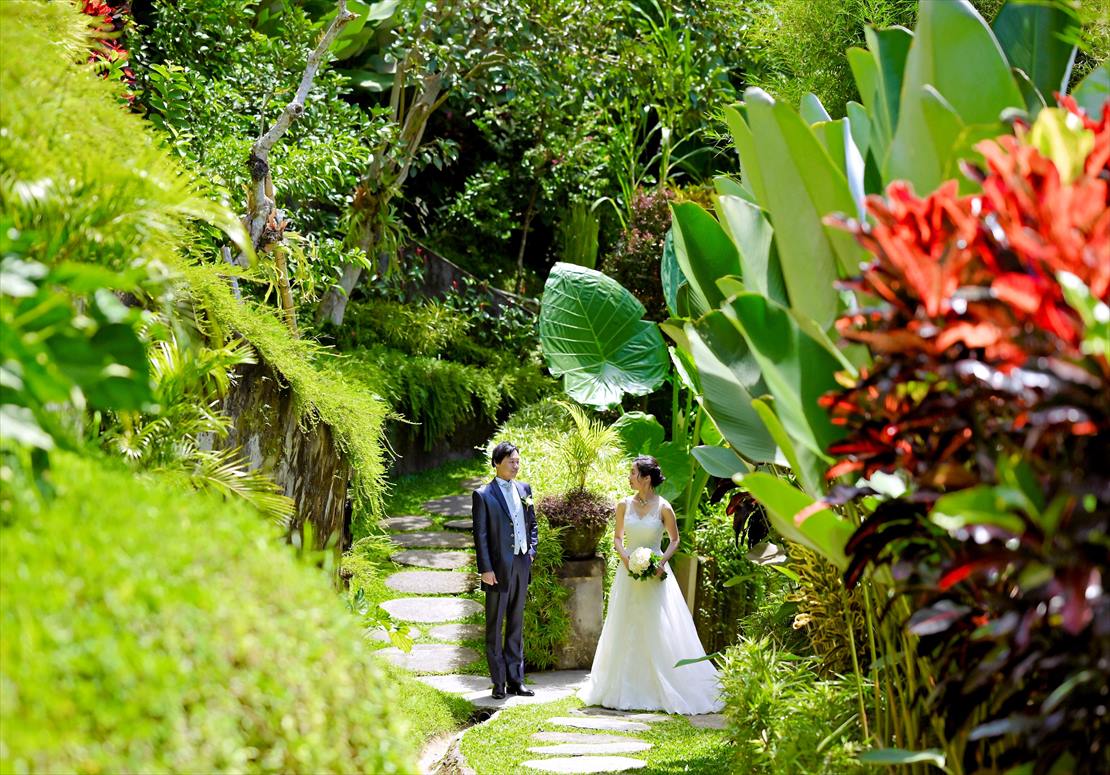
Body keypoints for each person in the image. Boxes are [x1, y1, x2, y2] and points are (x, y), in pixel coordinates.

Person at [578, 455, 723, 714]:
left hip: (656, 575)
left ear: (646, 478)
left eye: (633, 473)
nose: (629, 477)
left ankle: (663, 685)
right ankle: (623, 686)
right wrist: (626, 559)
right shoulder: (623, 505)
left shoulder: (664, 507)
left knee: (659, 627)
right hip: (628, 574)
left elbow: (675, 540)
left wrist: (660, 562)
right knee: (625, 625)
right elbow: (618, 538)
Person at [472, 442, 538, 700]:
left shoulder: (524, 489)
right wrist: (485, 569)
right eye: (511, 461)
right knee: (495, 624)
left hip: (522, 563)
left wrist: (531, 551)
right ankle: (498, 683)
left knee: (516, 624)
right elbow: (481, 535)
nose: (516, 465)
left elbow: (532, 524)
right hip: (497, 569)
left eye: (518, 461)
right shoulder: (483, 495)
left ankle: (516, 681)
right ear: (497, 463)